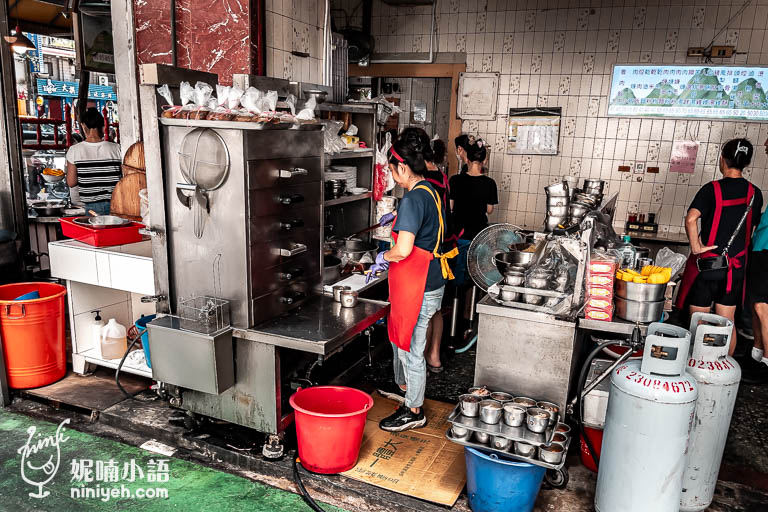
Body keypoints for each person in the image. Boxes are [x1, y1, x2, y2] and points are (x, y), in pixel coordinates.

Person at [367, 128, 456, 432]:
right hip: (428, 282)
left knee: (410, 349)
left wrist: (383, 257)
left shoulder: (412, 201)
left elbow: (404, 249)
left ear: (402, 167)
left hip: (419, 286)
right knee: (399, 341)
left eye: (391, 170)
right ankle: (407, 392)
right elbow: (427, 228)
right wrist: (396, 220)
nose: (391, 175)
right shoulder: (430, 189)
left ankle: (414, 410)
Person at [677, 138, 763, 355]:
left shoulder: (711, 189)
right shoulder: (755, 193)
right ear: (746, 162)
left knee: (700, 321)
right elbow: (750, 230)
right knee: (727, 323)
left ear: (723, 160)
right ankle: (724, 370)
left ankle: (698, 367)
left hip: (709, 266)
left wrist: (696, 246)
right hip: (735, 269)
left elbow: (691, 218)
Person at [449, 138, 499, 286]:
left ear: (467, 158)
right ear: (485, 160)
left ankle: (455, 301)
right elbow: (489, 210)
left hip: (458, 233)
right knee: (475, 271)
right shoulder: (490, 183)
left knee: (457, 270)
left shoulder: (455, 180)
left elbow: (450, 206)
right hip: (479, 235)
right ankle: (469, 302)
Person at [66, 108, 121, 215]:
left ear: (83, 125)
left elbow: (71, 182)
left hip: (92, 207)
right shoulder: (116, 148)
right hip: (118, 203)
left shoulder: (74, 150)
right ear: (103, 126)